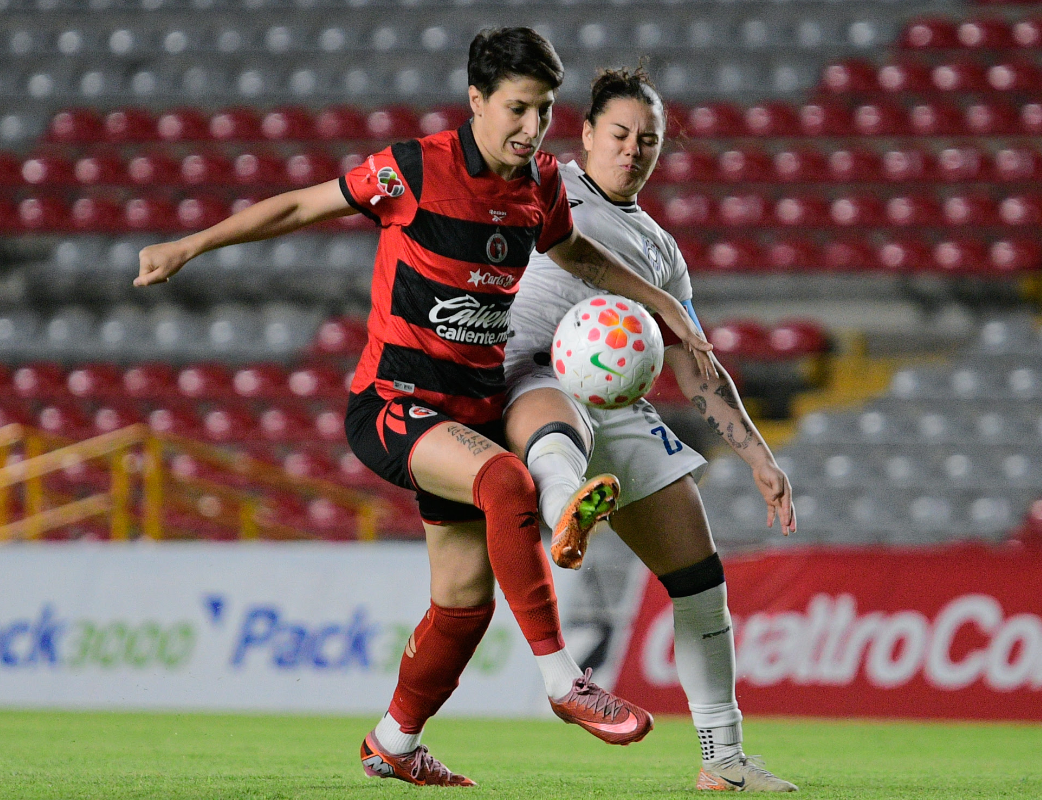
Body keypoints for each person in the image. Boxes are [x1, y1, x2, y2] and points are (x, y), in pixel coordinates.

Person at [134, 29, 714, 788]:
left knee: (464, 605)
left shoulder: (537, 184)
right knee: (507, 481)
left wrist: (660, 301)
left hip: (468, 413)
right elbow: (302, 207)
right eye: (515, 109)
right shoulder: (414, 169)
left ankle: (393, 742)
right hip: (392, 405)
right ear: (475, 101)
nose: (530, 129)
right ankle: (564, 681)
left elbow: (576, 254)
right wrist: (189, 245)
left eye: (542, 111)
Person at [501, 66, 799, 792]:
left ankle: (723, 763)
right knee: (554, 416)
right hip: (529, 375)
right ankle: (565, 506)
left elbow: (697, 366)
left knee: (700, 580)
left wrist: (759, 456)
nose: (632, 150)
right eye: (620, 134)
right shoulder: (542, 185)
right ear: (588, 133)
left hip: (618, 408)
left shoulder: (662, 251)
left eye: (649, 141)